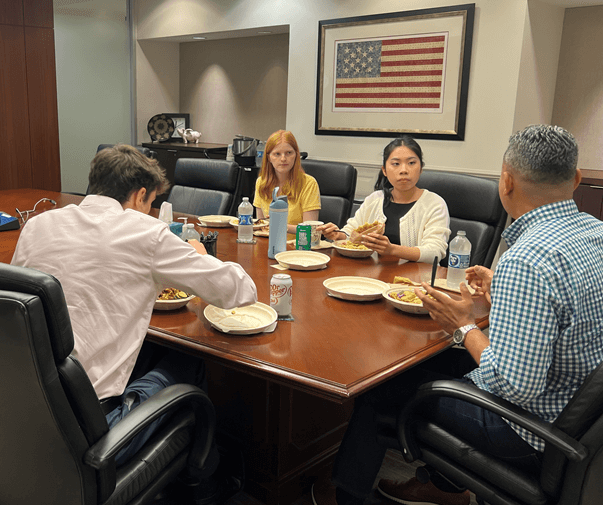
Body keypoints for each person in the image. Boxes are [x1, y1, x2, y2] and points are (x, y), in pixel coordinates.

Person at [312, 125, 603, 505]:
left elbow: (516, 386)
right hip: (580, 420)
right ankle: (445, 487)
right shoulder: (595, 232)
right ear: (577, 178)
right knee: (430, 366)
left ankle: (345, 496)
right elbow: (567, 320)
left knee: (380, 389)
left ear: (506, 182)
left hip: (530, 431)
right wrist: (502, 291)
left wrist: (463, 326)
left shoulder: (528, 259)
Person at [10, 144, 257, 465]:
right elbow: (238, 291)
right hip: (89, 424)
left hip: (30, 400)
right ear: (140, 196)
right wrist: (199, 255)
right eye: (152, 203)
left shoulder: (38, 224)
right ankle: (205, 483)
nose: (151, 211)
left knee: (149, 349)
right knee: (188, 359)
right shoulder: (147, 232)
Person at [319, 136, 450, 263]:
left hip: (416, 280)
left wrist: (392, 249)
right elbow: (351, 232)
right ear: (385, 171)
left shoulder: (434, 204)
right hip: (373, 274)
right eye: (396, 164)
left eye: (411, 163)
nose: (404, 170)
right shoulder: (375, 199)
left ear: (421, 168)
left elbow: (435, 252)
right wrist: (338, 235)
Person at [252, 130, 321, 234]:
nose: (283, 159)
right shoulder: (261, 182)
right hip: (267, 244)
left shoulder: (309, 183)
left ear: (296, 155)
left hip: (296, 246)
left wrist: (280, 225)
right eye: (277, 154)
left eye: (289, 153)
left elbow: (310, 230)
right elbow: (261, 225)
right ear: (269, 158)